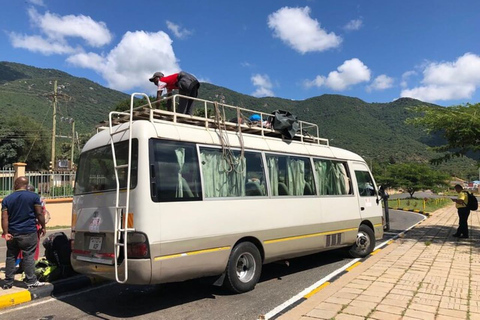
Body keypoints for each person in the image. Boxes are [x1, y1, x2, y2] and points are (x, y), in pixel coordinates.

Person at [1, 177, 46, 289]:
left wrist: (5, 232)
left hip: (12, 232)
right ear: (26, 185)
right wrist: (43, 226)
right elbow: (39, 214)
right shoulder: (34, 197)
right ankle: (31, 281)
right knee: (29, 256)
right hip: (28, 232)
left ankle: (8, 282)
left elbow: (4, 218)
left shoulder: (7, 199)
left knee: (11, 256)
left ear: (16, 184)